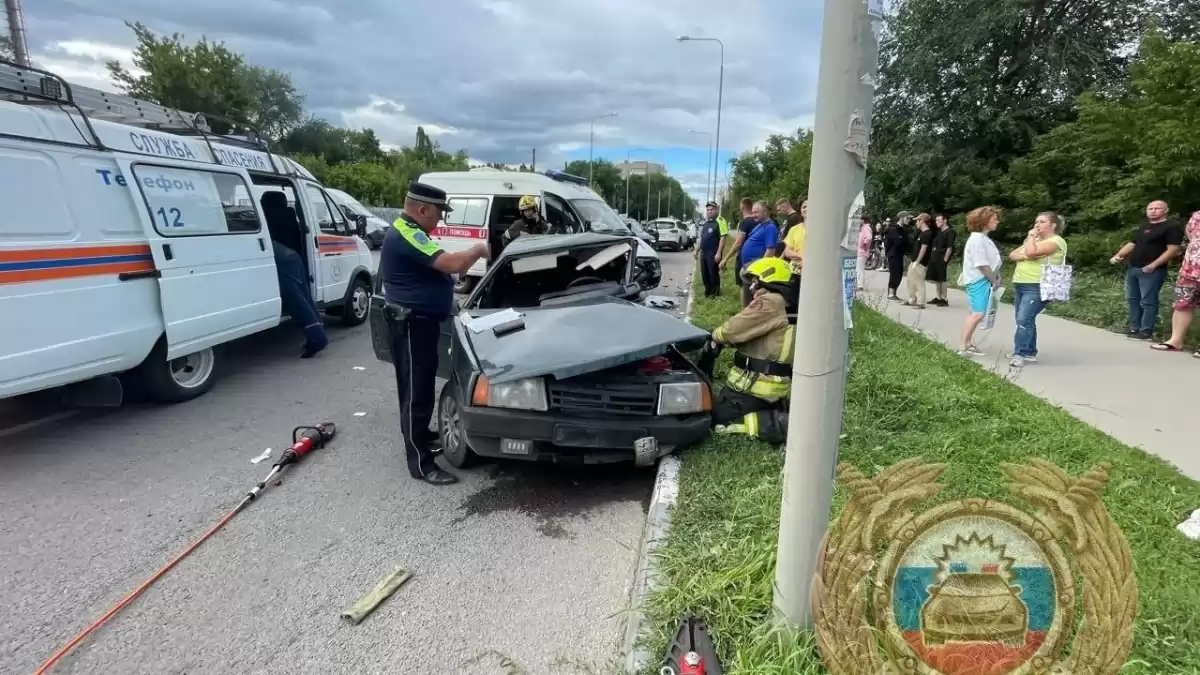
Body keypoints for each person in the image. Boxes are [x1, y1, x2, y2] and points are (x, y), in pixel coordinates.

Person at [380, 182, 489, 486]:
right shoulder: (408, 233)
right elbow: (450, 262)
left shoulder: (409, 231)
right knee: (417, 392)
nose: (440, 218)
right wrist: (479, 248)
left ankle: (419, 438)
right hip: (413, 325)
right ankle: (421, 463)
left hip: (418, 323)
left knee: (418, 387)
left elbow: (435, 269)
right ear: (423, 209)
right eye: (439, 212)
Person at [704, 257, 795, 443]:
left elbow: (732, 330)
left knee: (716, 424)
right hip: (769, 388)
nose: (752, 287)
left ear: (768, 279)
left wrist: (713, 336)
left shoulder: (770, 302)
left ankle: (778, 424)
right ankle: (775, 414)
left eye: (755, 281)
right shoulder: (786, 304)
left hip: (753, 388)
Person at [260, 192, 328, 358]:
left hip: (281, 257)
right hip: (294, 257)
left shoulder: (267, 214)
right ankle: (317, 328)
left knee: (295, 299)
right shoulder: (289, 213)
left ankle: (317, 338)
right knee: (304, 297)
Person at [1109, 200, 1184, 340]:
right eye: (1150, 208)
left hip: (1152, 270)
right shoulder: (1144, 226)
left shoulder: (1171, 227)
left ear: (1166, 210)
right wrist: (1118, 255)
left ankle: (1146, 331)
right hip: (1134, 267)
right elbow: (1132, 243)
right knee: (1133, 299)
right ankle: (1134, 328)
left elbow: (1173, 249)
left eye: (1157, 208)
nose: (1153, 210)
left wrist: (1154, 265)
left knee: (1148, 301)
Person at [1006, 212, 1067, 367]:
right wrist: (1028, 252)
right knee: (1025, 319)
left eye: (1042, 221)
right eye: (1036, 221)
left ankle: (1019, 353)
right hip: (1021, 282)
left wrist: (1030, 244)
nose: (1037, 225)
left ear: (1052, 225)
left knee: (1023, 319)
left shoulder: (1056, 241)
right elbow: (1013, 255)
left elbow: (1031, 252)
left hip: (1038, 285)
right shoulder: (1036, 240)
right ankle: (1029, 351)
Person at [1151, 210, 1200, 356]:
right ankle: (1175, 340)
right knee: (1182, 304)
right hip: (1191, 268)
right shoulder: (1197, 215)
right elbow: (1191, 235)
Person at [957, 206, 1003, 357]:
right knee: (977, 313)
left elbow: (989, 262)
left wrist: (996, 276)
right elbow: (981, 264)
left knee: (976, 312)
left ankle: (968, 343)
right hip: (979, 280)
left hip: (982, 279)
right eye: (994, 219)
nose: (997, 222)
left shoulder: (982, 238)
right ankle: (962, 346)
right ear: (984, 221)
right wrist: (993, 280)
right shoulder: (977, 239)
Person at [731, 201, 780, 307]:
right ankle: (746, 318)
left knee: (753, 301)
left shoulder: (770, 228)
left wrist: (759, 271)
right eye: (752, 212)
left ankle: (751, 320)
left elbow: (770, 251)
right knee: (747, 298)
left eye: (756, 212)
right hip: (749, 268)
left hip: (756, 271)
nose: (753, 215)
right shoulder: (760, 225)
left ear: (765, 212)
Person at [695, 201, 728, 297]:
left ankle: (715, 293)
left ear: (716, 210)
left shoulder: (720, 221)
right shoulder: (706, 223)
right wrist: (696, 251)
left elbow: (723, 238)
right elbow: (703, 239)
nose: (709, 211)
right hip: (704, 253)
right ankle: (707, 291)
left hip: (713, 252)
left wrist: (718, 253)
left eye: (712, 209)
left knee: (713, 273)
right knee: (704, 273)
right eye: (708, 210)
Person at [904, 213, 935, 308]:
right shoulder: (921, 233)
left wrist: (917, 261)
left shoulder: (927, 234)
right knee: (910, 280)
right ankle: (912, 299)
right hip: (914, 260)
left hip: (920, 262)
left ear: (922, 221)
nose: (916, 223)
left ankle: (920, 302)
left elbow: (924, 249)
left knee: (918, 282)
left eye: (917, 221)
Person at [721, 198, 757, 276]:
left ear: (742, 208)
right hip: (756, 258)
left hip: (745, 260)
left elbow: (738, 244)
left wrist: (725, 258)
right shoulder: (758, 221)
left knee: (744, 285)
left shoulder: (744, 222)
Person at [928, 213, 955, 306]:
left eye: (939, 220)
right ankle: (938, 297)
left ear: (945, 220)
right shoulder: (940, 232)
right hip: (935, 258)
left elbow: (950, 247)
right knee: (937, 279)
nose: (937, 222)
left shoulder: (950, 232)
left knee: (942, 279)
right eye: (936, 220)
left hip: (941, 258)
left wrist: (945, 259)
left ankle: (944, 298)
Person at [885, 212, 912, 300]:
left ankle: (894, 292)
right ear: (901, 218)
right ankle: (891, 293)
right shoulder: (893, 229)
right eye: (907, 218)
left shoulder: (903, 230)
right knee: (894, 273)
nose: (909, 220)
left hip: (900, 254)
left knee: (899, 274)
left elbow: (905, 242)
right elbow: (897, 241)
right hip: (893, 254)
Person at [856, 215, 873, 292]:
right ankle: (859, 284)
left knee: (860, 269)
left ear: (863, 220)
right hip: (860, 251)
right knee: (858, 269)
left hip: (862, 252)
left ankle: (860, 285)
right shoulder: (862, 228)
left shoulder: (866, 228)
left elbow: (868, 237)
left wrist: (864, 244)